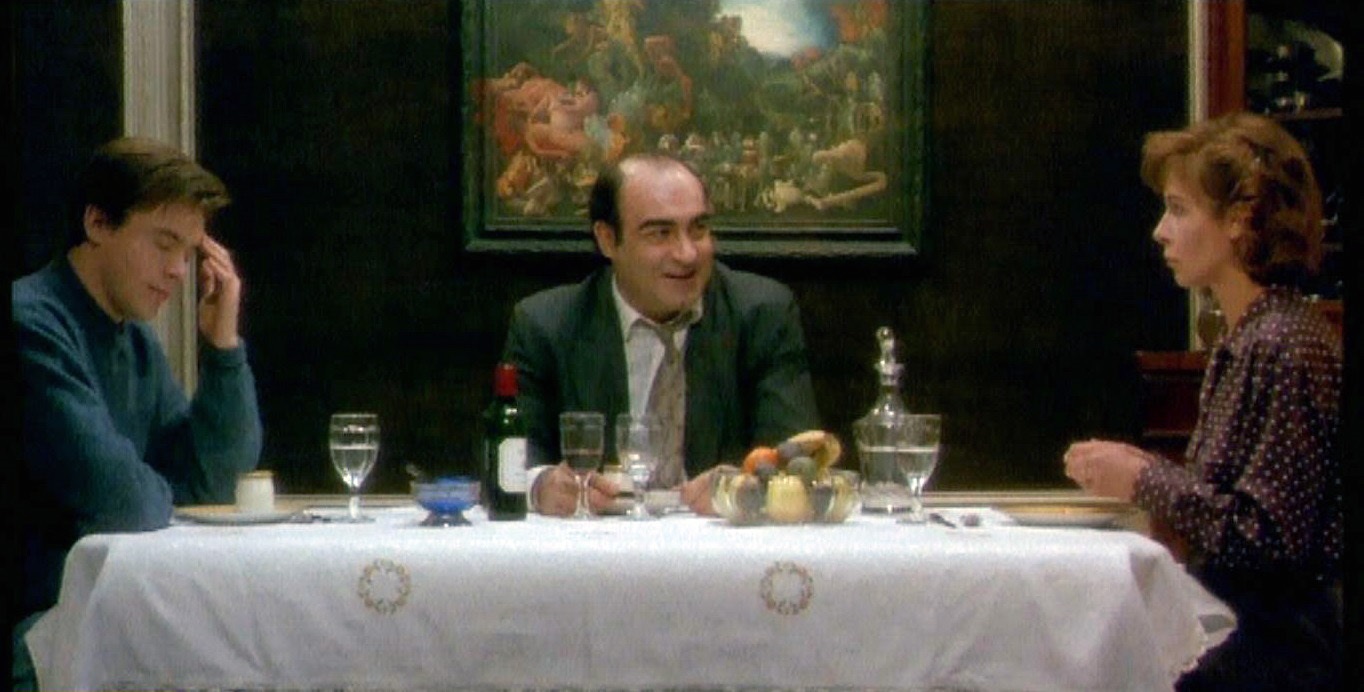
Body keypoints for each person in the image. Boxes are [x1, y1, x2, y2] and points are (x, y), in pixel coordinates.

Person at [1062, 112, 1341, 690]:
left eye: (1179, 209)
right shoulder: (1249, 334)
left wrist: (1144, 478)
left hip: (1279, 656)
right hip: (1246, 640)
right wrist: (1143, 472)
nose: (1160, 231)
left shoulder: (1283, 343)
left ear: (1240, 220)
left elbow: (1268, 540)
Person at [10, 137, 263, 689]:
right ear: (98, 223)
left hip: (97, 623)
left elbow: (212, 486)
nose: (178, 271)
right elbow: (121, 500)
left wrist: (223, 348)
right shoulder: (30, 324)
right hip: (32, 636)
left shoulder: (136, 341)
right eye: (164, 244)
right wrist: (158, 491)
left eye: (189, 253)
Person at [502, 152, 819, 517]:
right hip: (598, 540)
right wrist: (542, 485)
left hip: (717, 540)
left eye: (698, 229)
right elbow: (515, 456)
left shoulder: (762, 314)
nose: (687, 254)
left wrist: (743, 484)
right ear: (608, 240)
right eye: (660, 233)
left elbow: (796, 457)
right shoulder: (546, 325)